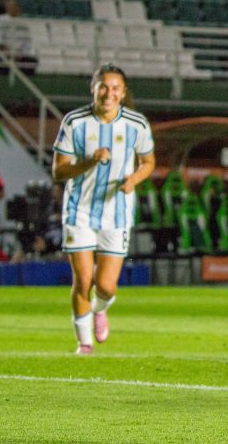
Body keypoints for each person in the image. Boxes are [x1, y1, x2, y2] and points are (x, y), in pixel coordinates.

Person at [52, 64, 156, 354]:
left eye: (115, 88)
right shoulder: (74, 122)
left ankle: (100, 309)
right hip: (79, 211)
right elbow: (58, 173)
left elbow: (148, 162)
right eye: (103, 87)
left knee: (106, 287)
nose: (108, 93)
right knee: (83, 280)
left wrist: (133, 179)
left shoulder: (137, 124)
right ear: (93, 88)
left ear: (123, 93)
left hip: (117, 212)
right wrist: (89, 162)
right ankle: (84, 343)